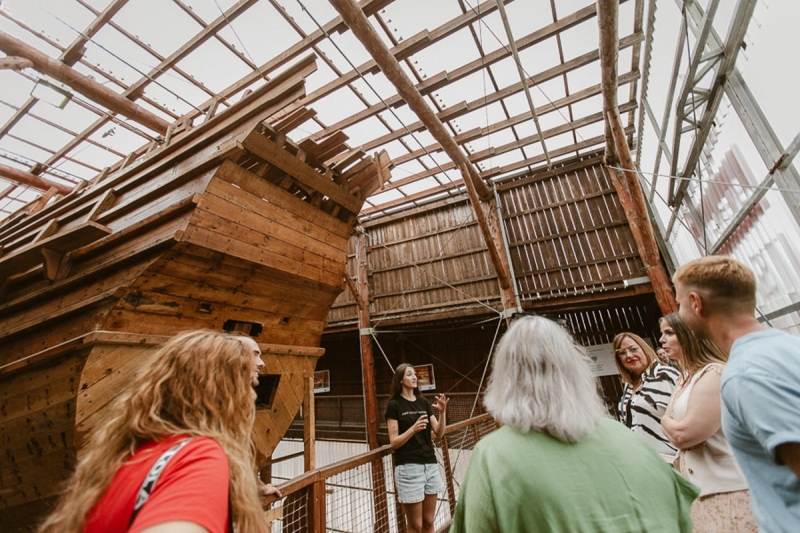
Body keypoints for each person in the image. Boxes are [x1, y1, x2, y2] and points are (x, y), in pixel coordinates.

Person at [450, 316, 699, 532]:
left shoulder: (492, 455)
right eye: (621, 353)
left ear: (504, 377)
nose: (627, 356)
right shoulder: (630, 440)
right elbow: (684, 518)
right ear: (578, 369)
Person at [37, 330, 280, 533]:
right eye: (249, 384)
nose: (253, 396)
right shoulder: (197, 456)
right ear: (222, 394)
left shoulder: (123, 459)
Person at [674, 255, 800, 532]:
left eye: (679, 304)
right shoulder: (788, 347)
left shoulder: (746, 374)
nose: (680, 313)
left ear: (696, 303)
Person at [659, 312, 756, 532]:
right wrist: (669, 423)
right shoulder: (685, 379)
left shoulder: (714, 373)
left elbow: (684, 435)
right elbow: (674, 429)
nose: (662, 340)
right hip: (700, 489)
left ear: (689, 335)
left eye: (669, 333)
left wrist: (667, 422)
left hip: (727, 488)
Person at [385, 364, 449, 533]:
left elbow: (439, 432)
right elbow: (394, 442)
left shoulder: (423, 403)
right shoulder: (394, 405)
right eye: (409, 374)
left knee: (428, 521)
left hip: (430, 465)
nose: (414, 377)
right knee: (416, 525)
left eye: (415, 374)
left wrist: (442, 413)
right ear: (400, 380)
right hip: (408, 467)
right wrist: (413, 429)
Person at [613, 331, 681, 457]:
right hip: (640, 459)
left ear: (644, 348)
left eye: (633, 349)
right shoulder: (629, 385)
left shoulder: (667, 375)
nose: (629, 355)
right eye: (622, 353)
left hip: (669, 459)